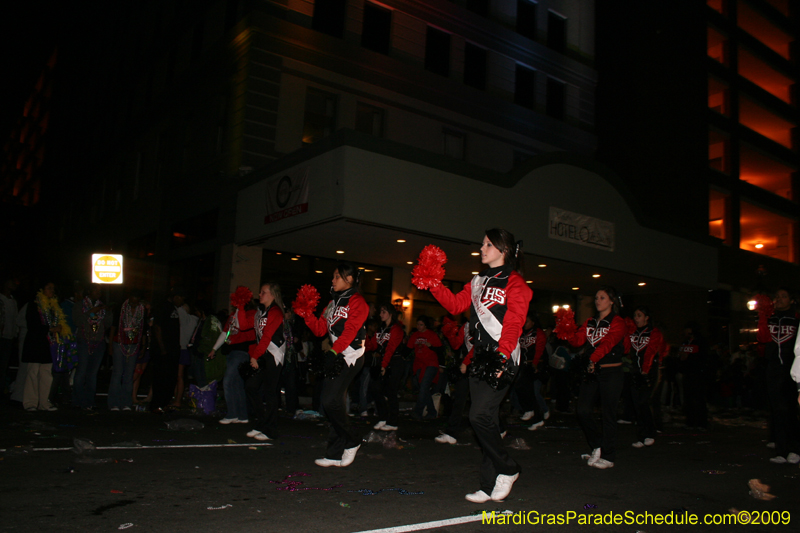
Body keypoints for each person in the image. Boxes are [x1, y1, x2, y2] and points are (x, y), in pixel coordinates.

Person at [421, 229, 532, 503]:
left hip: (502, 356)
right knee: (488, 420)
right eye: (482, 244)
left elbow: (514, 323)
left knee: (478, 416)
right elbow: (457, 305)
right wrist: (434, 283)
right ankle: (488, 483)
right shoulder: (478, 280)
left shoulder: (516, 283)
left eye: (487, 244)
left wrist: (503, 356)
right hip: (480, 355)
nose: (481, 248)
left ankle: (508, 468)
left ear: (503, 249)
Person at [299, 263, 368, 468]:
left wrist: (333, 351)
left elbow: (351, 331)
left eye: (337, 276)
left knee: (330, 401)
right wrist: (306, 314)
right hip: (338, 354)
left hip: (352, 355)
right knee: (332, 402)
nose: (333, 280)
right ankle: (334, 453)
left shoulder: (358, 302)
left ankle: (353, 440)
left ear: (350, 280)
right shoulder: (332, 303)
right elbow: (321, 330)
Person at [562, 286, 627, 470]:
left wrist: (592, 359)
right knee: (582, 410)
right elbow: (578, 341)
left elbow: (608, 343)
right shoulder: (590, 322)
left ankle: (608, 456)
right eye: (597, 297)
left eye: (602, 297)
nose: (598, 301)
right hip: (592, 372)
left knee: (608, 414)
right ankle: (598, 445)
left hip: (611, 372)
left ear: (612, 301)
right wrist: (566, 331)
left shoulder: (618, 322)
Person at [236, 282, 286, 441]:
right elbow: (243, 325)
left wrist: (254, 356)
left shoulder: (276, 312)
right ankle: (262, 423)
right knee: (250, 386)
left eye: (263, 292)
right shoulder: (260, 312)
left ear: (272, 294)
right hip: (263, 354)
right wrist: (240, 306)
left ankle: (270, 430)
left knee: (270, 392)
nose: (260, 295)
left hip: (273, 354)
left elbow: (267, 336)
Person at [756, 288, 800, 464]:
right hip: (774, 369)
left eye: (784, 296)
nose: (779, 299)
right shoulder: (771, 317)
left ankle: (795, 448)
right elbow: (762, 338)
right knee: (778, 410)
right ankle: (781, 450)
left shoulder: (796, 319)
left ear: (791, 300)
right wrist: (762, 316)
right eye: (777, 296)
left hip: (792, 369)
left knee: (793, 410)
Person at [210, 297, 256, 425]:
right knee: (236, 384)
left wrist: (240, 309)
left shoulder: (251, 313)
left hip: (241, 351)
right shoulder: (232, 314)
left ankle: (232, 414)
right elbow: (225, 333)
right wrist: (214, 349)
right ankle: (241, 416)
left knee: (228, 381)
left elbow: (242, 326)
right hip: (230, 351)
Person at [627, 306, 666, 448]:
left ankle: (650, 432)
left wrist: (645, 370)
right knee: (637, 404)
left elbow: (651, 351)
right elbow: (627, 349)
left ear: (646, 317)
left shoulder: (654, 332)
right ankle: (642, 435)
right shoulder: (633, 332)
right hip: (636, 371)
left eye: (639, 315)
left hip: (650, 371)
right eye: (635, 315)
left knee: (645, 402)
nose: (636, 318)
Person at [72, 284, 113, 410]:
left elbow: (107, 324)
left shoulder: (102, 306)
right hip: (84, 340)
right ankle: (78, 400)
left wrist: (108, 312)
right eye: (96, 290)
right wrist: (90, 313)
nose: (98, 293)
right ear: (89, 291)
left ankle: (89, 401)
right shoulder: (80, 305)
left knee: (92, 374)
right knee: (81, 372)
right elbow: (76, 321)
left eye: (100, 291)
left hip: (98, 342)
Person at [435, 317, 472, 445]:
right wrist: (450, 334)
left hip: (479, 365)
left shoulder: (485, 322)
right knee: (459, 399)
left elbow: (481, 345)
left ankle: (499, 429)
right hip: (468, 367)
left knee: (484, 402)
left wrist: (466, 362)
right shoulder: (466, 325)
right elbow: (456, 345)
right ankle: (451, 433)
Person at [107, 290, 146, 411]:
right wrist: (110, 345)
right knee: (118, 372)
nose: (133, 304)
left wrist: (143, 346)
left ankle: (126, 403)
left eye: (136, 302)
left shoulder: (142, 310)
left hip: (134, 344)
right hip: (119, 343)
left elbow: (143, 329)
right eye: (131, 302)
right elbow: (114, 325)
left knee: (129, 374)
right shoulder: (121, 308)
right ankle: (114, 402)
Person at [371, 304, 405, 432]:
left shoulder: (396, 329)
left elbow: (391, 348)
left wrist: (384, 365)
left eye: (383, 311)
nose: (381, 314)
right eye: (380, 312)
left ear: (390, 313)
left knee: (391, 391)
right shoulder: (380, 328)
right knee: (375, 388)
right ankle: (383, 417)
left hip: (394, 361)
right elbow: (374, 345)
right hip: (383, 360)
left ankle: (393, 422)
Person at [149, 289, 184, 413]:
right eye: (180, 297)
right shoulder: (163, 307)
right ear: (175, 296)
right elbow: (157, 328)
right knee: (161, 377)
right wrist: (162, 348)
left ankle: (164, 403)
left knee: (170, 377)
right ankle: (156, 404)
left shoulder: (173, 308)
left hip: (173, 349)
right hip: (163, 350)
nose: (182, 301)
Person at [513, 314, 548, 429]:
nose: (525, 323)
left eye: (527, 321)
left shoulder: (538, 333)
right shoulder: (521, 333)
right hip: (524, 365)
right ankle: (530, 410)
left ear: (533, 322)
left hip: (534, 364)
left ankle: (537, 416)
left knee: (531, 391)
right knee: (520, 388)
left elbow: (540, 348)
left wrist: (535, 364)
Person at [407, 315, 442, 420]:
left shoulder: (432, 335)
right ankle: (432, 412)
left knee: (423, 386)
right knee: (423, 388)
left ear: (425, 325)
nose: (418, 326)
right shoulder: (415, 335)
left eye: (421, 324)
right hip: (419, 364)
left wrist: (432, 347)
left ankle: (418, 411)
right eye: (417, 324)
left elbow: (440, 350)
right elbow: (408, 348)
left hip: (430, 364)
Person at [679, 321, 709, 430]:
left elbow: (703, 357)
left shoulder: (700, 341)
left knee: (699, 398)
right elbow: (681, 356)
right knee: (688, 398)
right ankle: (690, 421)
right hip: (688, 373)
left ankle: (702, 422)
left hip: (698, 374)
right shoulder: (685, 342)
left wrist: (690, 358)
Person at [1, 278, 20, 397]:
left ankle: (2, 388)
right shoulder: (1, 300)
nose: (13, 284)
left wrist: (15, 333)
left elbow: (15, 319)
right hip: (2, 336)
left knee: (4, 364)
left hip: (9, 337)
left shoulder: (13, 301)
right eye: (11, 282)